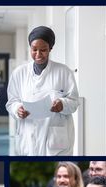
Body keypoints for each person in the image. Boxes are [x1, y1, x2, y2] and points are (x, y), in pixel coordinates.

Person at [7, 26, 80, 156]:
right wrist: (17, 109)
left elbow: (74, 101)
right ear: (30, 47)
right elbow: (12, 101)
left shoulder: (63, 72)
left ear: (50, 48)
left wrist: (62, 104)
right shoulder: (19, 73)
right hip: (28, 135)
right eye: (34, 49)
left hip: (55, 140)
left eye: (43, 50)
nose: (38, 54)